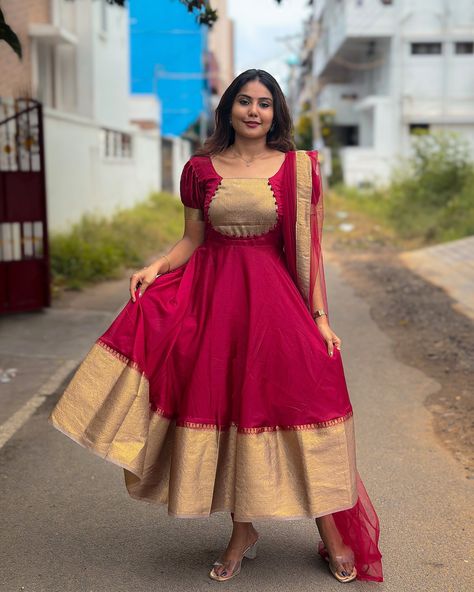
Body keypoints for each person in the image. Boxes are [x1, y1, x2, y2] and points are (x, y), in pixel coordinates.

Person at [48, 68, 383, 584]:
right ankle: (242, 530)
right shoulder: (200, 169)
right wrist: (157, 266)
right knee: (228, 407)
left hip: (276, 305)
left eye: (264, 103)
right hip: (214, 304)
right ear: (228, 108)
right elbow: (193, 239)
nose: (254, 111)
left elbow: (311, 254)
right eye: (245, 101)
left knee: (305, 400)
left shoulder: (299, 169)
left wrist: (319, 318)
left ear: (276, 112)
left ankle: (332, 533)